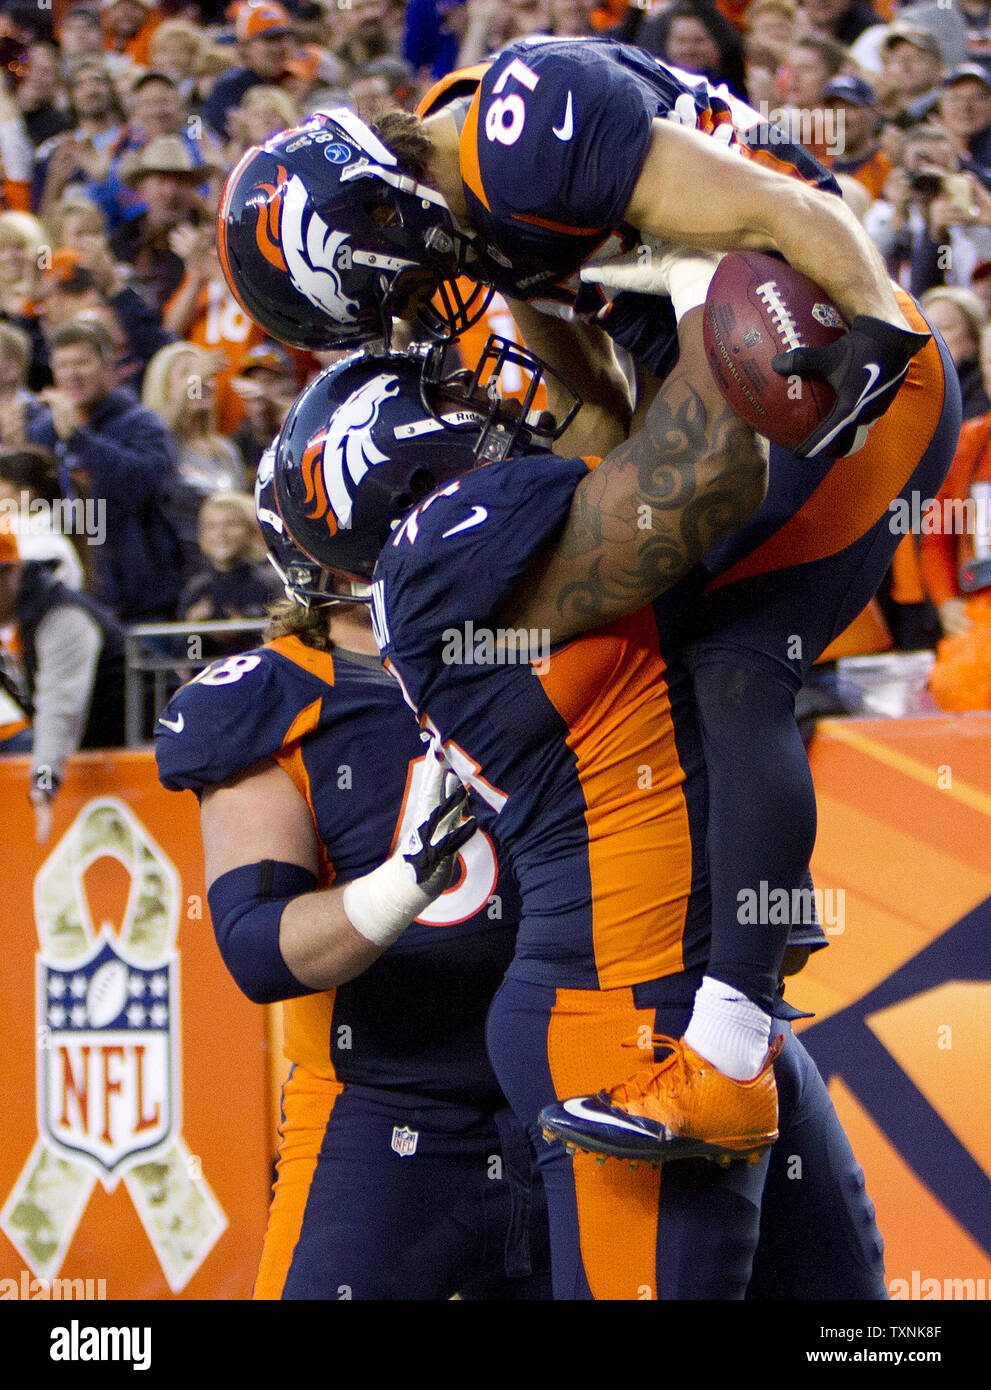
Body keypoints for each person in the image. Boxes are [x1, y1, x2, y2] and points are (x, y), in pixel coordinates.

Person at [217, 44, 958, 1152]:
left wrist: (875, 343)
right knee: (678, 637)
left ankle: (728, 1041)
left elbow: (777, 209)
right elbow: (603, 412)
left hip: (816, 328)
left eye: (402, 289)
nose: (417, 312)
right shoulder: (466, 233)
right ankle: (760, 921)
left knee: (732, 661)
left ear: (384, 216)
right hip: (719, 356)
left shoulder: (520, 137)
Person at [268, 336, 887, 1299]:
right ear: (403, 465)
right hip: (621, 1013)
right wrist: (698, 291)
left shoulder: (487, 559)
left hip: (699, 996)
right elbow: (709, 462)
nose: (488, 405)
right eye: (450, 401)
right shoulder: (452, 553)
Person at [153, 448, 552, 1301]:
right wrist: (404, 881)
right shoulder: (273, 698)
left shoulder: (547, 652)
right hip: (385, 1115)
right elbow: (260, 952)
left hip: (576, 1098)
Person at [27, 318, 182, 621]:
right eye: (63, 365)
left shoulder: (142, 424)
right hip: (66, 597)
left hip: (138, 605)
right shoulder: (43, 432)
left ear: (108, 365)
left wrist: (78, 439)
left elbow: (141, 485)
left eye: (82, 363)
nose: (72, 374)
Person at [0, 522, 124, 844]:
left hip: (129, 733)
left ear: (12, 572)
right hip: (85, 736)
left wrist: (43, 783)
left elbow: (60, 707)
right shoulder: (14, 619)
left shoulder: (63, 615)